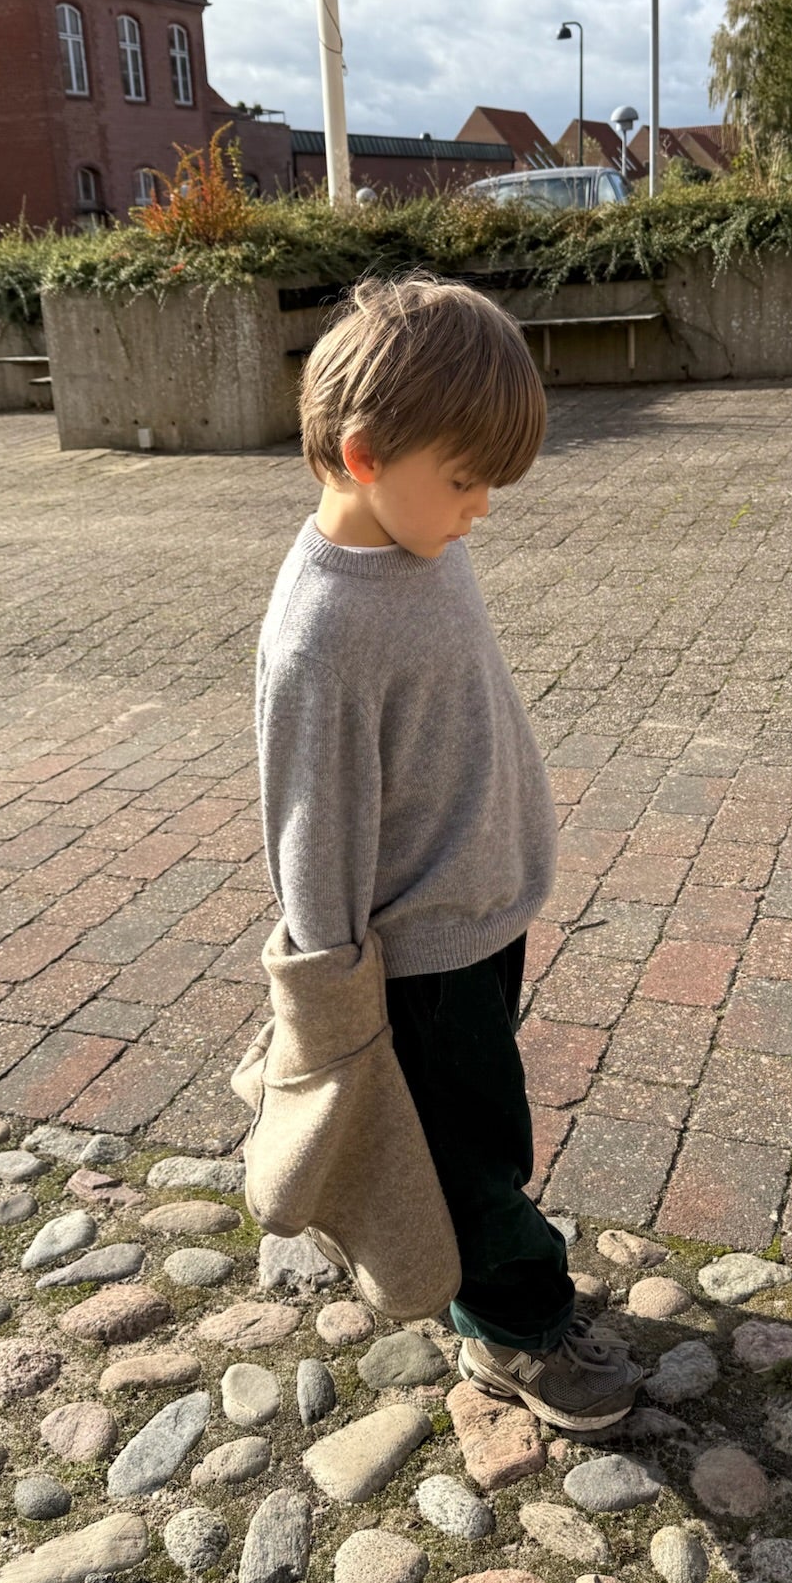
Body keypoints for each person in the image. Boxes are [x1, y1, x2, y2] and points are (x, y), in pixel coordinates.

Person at [254, 274, 642, 1432]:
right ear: (364, 455)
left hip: (481, 909)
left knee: (480, 1122)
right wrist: (329, 999)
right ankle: (519, 1328)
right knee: (471, 1154)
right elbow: (311, 824)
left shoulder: (418, 539)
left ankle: (495, 1307)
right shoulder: (322, 633)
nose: (481, 510)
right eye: (467, 480)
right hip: (418, 957)